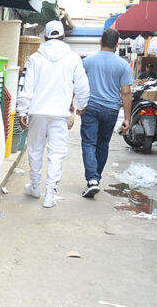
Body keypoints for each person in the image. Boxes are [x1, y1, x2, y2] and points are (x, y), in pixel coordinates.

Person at [17, 20, 90, 208]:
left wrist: (22, 110)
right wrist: (81, 105)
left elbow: (26, 86)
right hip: (60, 114)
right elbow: (82, 86)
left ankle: (35, 186)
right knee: (56, 153)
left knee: (35, 150)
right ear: (63, 36)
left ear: (45, 37)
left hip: (37, 112)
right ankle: (50, 194)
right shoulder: (73, 58)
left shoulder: (34, 58)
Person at [79, 28, 133, 198]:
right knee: (102, 144)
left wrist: (75, 105)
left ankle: (92, 180)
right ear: (117, 44)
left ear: (100, 41)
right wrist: (127, 118)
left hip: (91, 107)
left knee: (89, 143)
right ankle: (96, 179)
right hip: (111, 110)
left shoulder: (87, 62)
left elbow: (78, 85)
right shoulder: (123, 65)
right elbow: (125, 92)